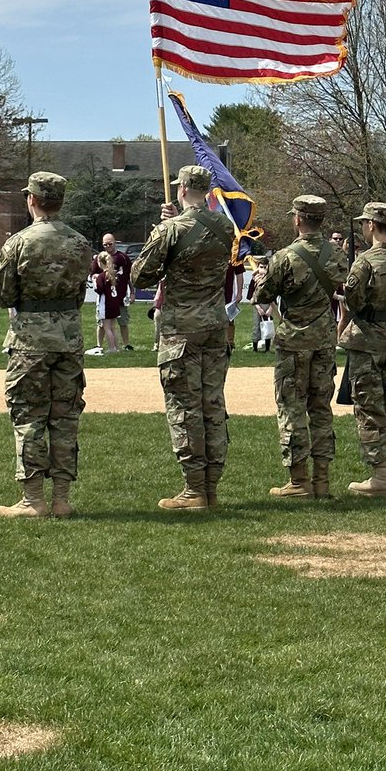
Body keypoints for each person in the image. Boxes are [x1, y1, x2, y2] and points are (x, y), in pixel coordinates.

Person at [132, 164, 234, 511]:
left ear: (182, 188)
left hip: (181, 331)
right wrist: (171, 225)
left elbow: (141, 276)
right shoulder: (224, 227)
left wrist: (161, 231)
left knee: (185, 409)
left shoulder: (170, 231)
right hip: (214, 327)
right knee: (212, 406)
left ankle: (194, 490)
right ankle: (212, 488)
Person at [0, 171, 91, 519]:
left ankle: (32, 499)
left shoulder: (18, 243)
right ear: (60, 201)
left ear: (31, 200)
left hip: (29, 341)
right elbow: (80, 293)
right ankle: (62, 499)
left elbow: (4, 296)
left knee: (29, 416)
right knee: (65, 419)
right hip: (69, 337)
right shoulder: (80, 243)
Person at [251, 195, 346, 499]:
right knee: (321, 408)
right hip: (325, 340)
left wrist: (260, 279)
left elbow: (263, 297)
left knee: (292, 407)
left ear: (298, 219)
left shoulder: (285, 256)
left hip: (293, 341)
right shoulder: (337, 255)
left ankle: (298, 480)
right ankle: (322, 480)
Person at [339, 202, 386, 495]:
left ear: (370, 225)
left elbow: (354, 300)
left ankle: (380, 475)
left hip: (367, 338)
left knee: (369, 408)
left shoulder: (364, 262)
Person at [90, 233, 135, 351]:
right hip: (106, 298)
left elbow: (128, 277)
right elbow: (93, 274)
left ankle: (123, 345)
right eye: (105, 244)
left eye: (110, 244)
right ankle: (100, 345)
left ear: (115, 242)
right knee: (104, 325)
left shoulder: (122, 258)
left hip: (119, 296)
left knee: (120, 323)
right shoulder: (100, 258)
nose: (107, 246)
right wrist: (100, 277)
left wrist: (132, 292)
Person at [92, 250, 122, 353]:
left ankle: (111, 348)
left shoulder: (102, 276)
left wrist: (95, 281)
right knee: (113, 327)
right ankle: (116, 347)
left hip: (106, 305)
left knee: (107, 328)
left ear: (100, 263)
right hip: (114, 304)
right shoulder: (112, 274)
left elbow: (99, 290)